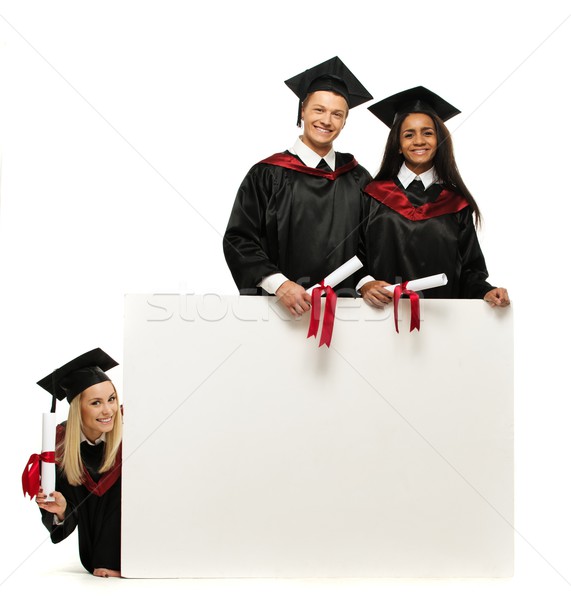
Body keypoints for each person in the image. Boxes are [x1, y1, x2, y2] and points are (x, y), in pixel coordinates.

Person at [223, 56, 373, 317]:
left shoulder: (358, 178)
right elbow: (239, 239)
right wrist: (279, 284)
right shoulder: (267, 174)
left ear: (345, 121)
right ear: (302, 110)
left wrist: (366, 281)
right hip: (275, 313)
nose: (327, 120)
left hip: (346, 317)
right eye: (318, 109)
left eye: (337, 114)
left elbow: (371, 245)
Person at [358, 86, 510, 308]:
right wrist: (365, 284)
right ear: (398, 146)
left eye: (427, 133)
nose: (419, 141)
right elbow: (355, 256)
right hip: (381, 319)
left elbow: (469, 270)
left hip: (441, 324)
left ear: (439, 140)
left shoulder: (456, 203)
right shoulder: (373, 195)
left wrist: (486, 291)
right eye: (409, 134)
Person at [34, 348, 122, 578]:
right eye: (95, 403)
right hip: (95, 557)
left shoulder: (131, 433)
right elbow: (68, 510)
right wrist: (61, 510)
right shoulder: (61, 448)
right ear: (77, 409)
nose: (108, 410)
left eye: (111, 399)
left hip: (143, 546)